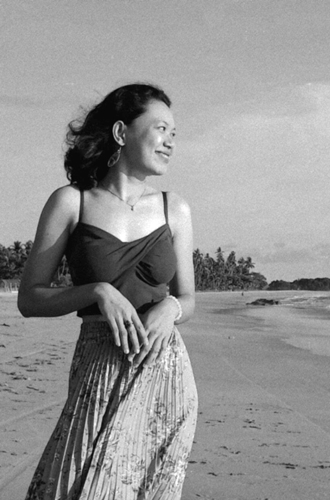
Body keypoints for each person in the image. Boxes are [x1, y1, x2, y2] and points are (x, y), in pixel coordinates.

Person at [18, 83, 198, 500]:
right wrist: (96, 291)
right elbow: (30, 298)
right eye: (161, 128)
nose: (171, 141)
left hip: (164, 371)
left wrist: (170, 308)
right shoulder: (71, 202)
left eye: (174, 132)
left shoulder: (175, 208)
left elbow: (188, 299)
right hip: (97, 367)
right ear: (121, 132)